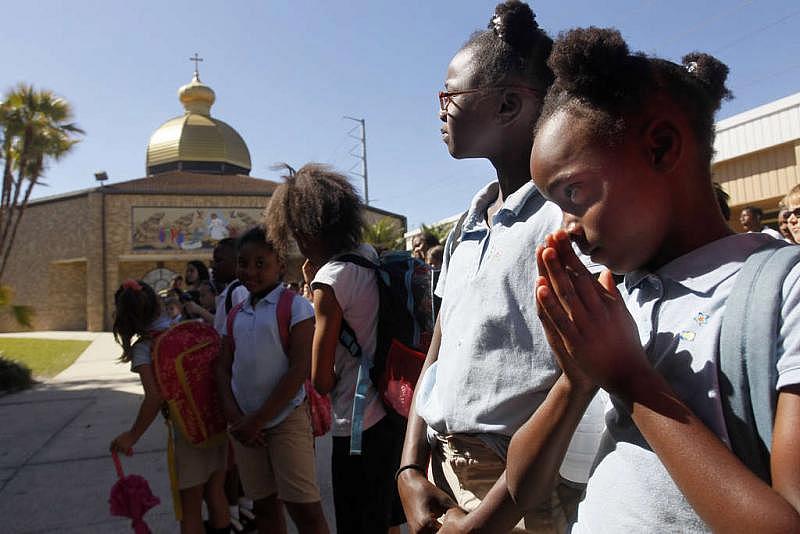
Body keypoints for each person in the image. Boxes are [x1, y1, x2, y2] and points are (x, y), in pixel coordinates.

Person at [504, 27, 800, 532]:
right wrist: (579, 377)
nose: (567, 231)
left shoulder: (782, 289)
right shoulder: (622, 296)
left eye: (574, 194)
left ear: (661, 147)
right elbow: (523, 488)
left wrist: (629, 379)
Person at [399, 3, 578, 533]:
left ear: (507, 104)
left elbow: (579, 377)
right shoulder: (468, 224)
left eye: (450, 94)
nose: (441, 108)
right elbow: (439, 345)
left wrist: (496, 513)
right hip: (443, 466)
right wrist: (410, 464)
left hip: (521, 486)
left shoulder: (564, 220)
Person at [265, 164, 406, 534]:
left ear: (305, 230)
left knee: (356, 518)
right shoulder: (367, 256)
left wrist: (314, 295)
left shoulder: (330, 283)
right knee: (385, 515)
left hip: (357, 421)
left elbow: (321, 379)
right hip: (392, 408)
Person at [215, 226, 328, 534]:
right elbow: (223, 368)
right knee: (264, 509)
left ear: (280, 264)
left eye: (260, 263)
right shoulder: (236, 313)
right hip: (244, 428)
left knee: (305, 509)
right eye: (243, 263)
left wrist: (259, 419)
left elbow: (299, 368)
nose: (250, 271)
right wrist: (236, 418)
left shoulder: (295, 306)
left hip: (284, 420)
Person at [109, 279, 230, 534]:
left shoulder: (145, 347)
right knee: (216, 492)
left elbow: (154, 397)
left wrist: (132, 436)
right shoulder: (187, 327)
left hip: (186, 434)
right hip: (217, 424)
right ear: (156, 303)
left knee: (190, 505)